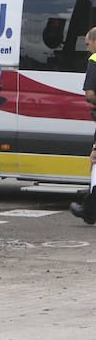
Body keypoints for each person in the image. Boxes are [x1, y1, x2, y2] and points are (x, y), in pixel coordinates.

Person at [71, 26, 96, 224]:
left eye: (88, 44)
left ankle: (89, 210)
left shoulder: (94, 60)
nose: (87, 49)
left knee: (95, 162)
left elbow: (90, 94)